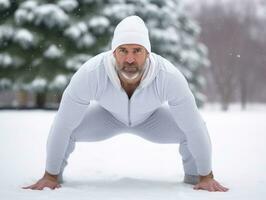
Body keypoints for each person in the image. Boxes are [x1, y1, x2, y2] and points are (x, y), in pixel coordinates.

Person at [23, 16, 229, 192]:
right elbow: (63, 124)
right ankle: (55, 176)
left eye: (137, 50)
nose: (130, 59)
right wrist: (50, 174)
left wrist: (206, 175)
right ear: (114, 52)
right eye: (123, 50)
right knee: (68, 128)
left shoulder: (168, 76)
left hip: (152, 120)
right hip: (106, 118)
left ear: (148, 53)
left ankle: (195, 178)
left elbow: (193, 127)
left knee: (190, 130)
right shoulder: (91, 74)